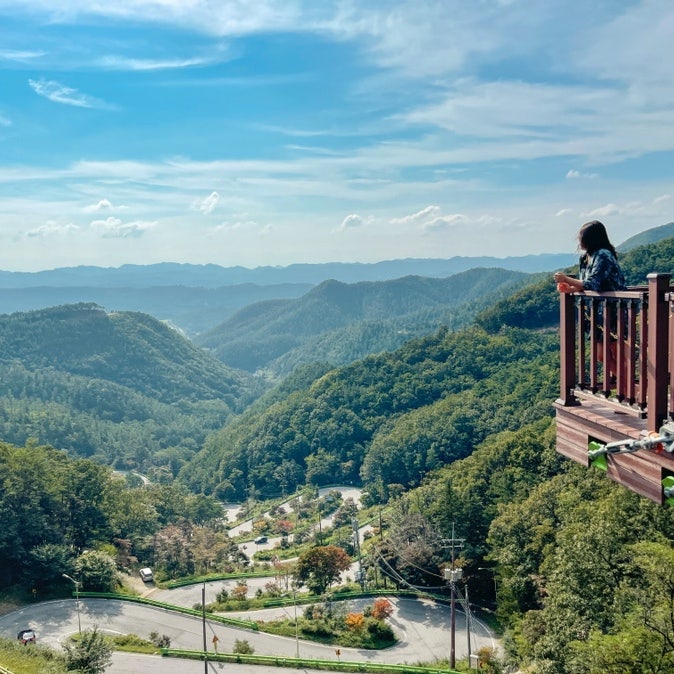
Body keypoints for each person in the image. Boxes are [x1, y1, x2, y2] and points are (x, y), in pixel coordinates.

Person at [553, 220, 627, 382]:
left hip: (614, 311)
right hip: (598, 314)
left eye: (582, 238)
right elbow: (585, 286)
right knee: (602, 355)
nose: (579, 242)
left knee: (615, 353)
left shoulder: (603, 255)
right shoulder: (586, 258)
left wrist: (566, 278)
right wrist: (569, 288)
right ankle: (627, 386)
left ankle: (627, 388)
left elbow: (592, 283)